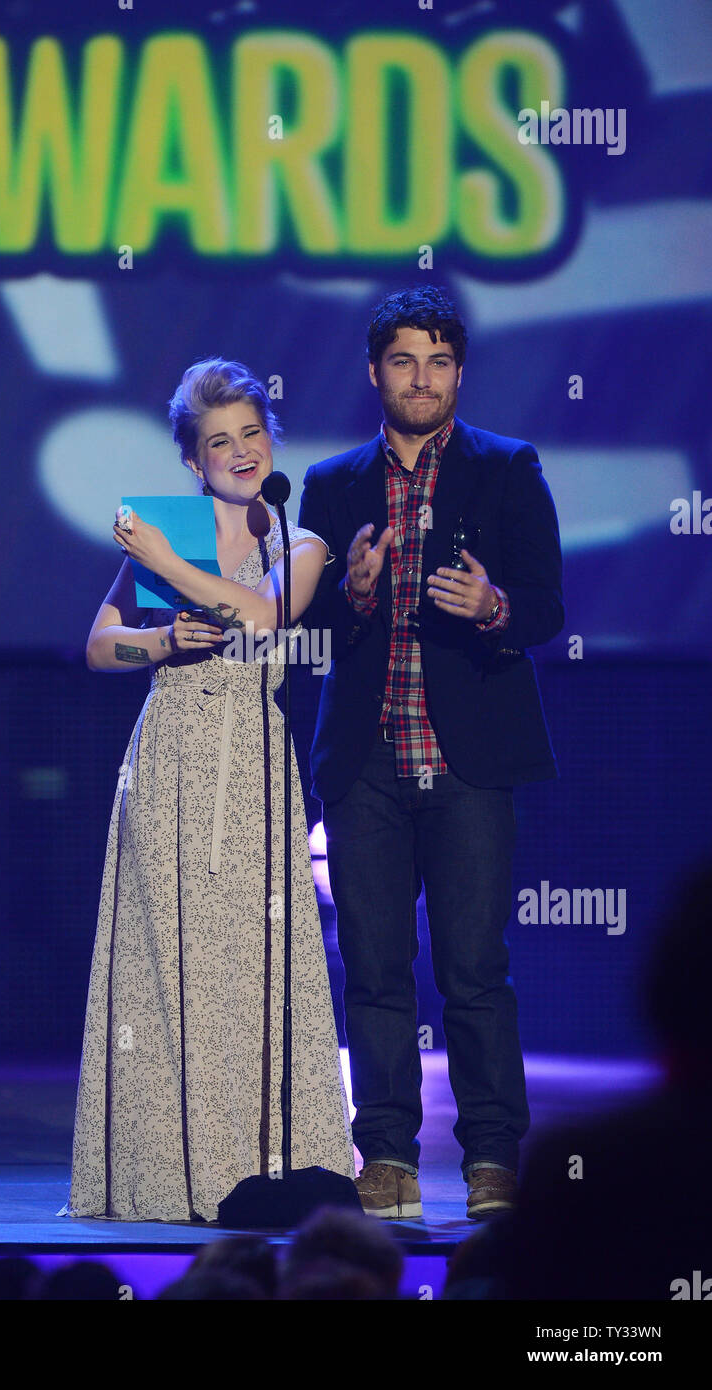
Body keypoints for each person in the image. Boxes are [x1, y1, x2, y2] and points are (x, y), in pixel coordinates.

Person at [58, 358, 354, 1223]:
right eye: (217, 441)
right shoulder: (169, 530)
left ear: (271, 440)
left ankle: (257, 1165)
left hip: (255, 764)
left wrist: (164, 566)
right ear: (193, 459)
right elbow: (97, 646)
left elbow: (263, 617)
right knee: (170, 965)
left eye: (251, 434)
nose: (238, 452)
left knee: (257, 969)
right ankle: (167, 1173)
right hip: (170, 760)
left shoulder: (299, 540)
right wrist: (157, 645)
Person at [298, 286, 564, 1221]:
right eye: (404, 360)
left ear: (459, 372)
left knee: (472, 967)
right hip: (365, 759)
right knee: (372, 967)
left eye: (439, 361)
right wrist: (354, 594)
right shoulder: (331, 485)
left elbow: (545, 606)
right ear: (375, 372)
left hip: (469, 761)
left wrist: (494, 608)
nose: (422, 378)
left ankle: (492, 1157)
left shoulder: (506, 467)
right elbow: (308, 627)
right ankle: (386, 1157)